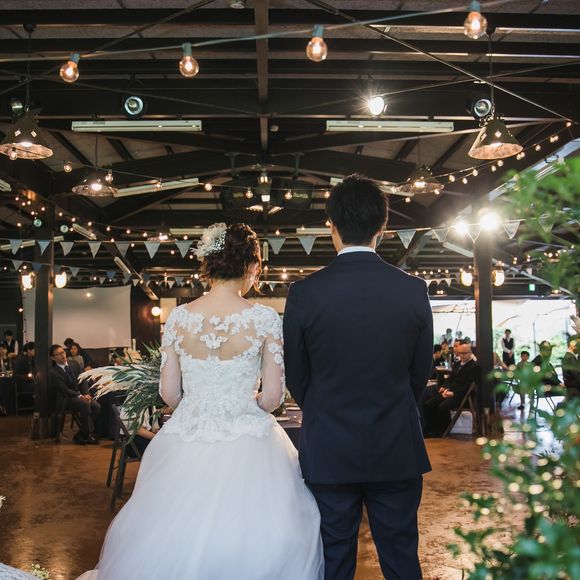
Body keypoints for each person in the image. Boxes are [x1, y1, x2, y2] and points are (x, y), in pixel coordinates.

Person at [77, 223, 323, 580]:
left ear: (209, 263)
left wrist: (199, 407)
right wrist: (246, 406)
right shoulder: (264, 318)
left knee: (170, 529)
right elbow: (272, 397)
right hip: (249, 439)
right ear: (252, 265)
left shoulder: (179, 317)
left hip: (187, 434)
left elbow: (169, 393)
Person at [284, 175, 432, 580]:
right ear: (382, 228)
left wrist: (325, 406)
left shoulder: (304, 293)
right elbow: (420, 373)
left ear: (330, 225)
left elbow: (297, 376)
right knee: (402, 558)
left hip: (329, 447)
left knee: (334, 557)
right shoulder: (413, 290)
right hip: (396, 444)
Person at [423, 343, 480, 437]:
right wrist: (444, 387)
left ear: (470, 353)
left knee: (442, 407)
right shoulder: (457, 364)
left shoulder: (474, 366)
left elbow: (468, 386)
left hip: (461, 396)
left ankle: (443, 430)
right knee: (428, 404)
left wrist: (452, 393)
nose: (461, 355)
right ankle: (432, 429)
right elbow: (450, 379)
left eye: (464, 353)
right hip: (449, 392)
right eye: (460, 353)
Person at [49, 345, 100, 445]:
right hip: (66, 399)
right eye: (58, 354)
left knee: (96, 406)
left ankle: (82, 433)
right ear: (53, 358)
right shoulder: (53, 372)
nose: (62, 355)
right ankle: (88, 434)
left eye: (63, 352)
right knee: (85, 404)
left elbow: (83, 379)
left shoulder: (74, 364)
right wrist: (80, 396)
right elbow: (63, 389)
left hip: (80, 395)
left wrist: (86, 393)